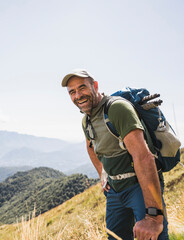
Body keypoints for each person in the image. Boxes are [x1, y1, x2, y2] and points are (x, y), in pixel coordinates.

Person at [61, 69, 169, 240]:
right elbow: (90, 146)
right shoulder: (86, 120)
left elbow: (143, 156)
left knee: (151, 235)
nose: (78, 95)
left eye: (82, 88)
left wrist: (154, 217)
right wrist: (102, 175)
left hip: (139, 187)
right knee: (115, 237)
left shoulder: (117, 108)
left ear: (95, 86)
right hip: (115, 191)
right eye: (72, 92)